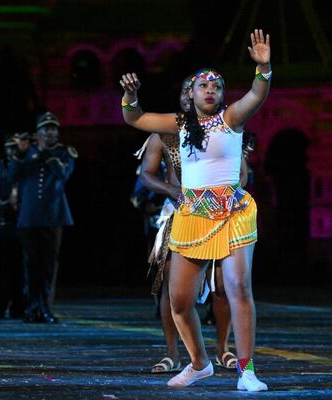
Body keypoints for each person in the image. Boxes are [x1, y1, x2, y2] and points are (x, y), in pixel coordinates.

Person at [121, 30, 271, 391]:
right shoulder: (178, 124)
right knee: (179, 301)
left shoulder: (231, 118)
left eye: (216, 87)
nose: (210, 91)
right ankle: (200, 364)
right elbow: (135, 119)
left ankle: (247, 371)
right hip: (191, 214)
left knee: (237, 287)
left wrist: (263, 68)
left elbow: (256, 94)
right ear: (190, 94)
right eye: (203, 86)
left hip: (233, 212)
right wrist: (130, 96)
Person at [139, 76, 244, 374]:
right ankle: (173, 353)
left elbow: (242, 173)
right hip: (179, 214)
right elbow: (146, 174)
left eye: (196, 89)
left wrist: (227, 196)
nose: (191, 94)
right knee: (172, 288)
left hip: (219, 215)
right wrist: (173, 191)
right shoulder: (165, 133)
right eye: (189, 88)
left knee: (223, 285)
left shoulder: (222, 129)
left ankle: (223, 349)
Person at [7, 112, 76, 323]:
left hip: (53, 216)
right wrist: (20, 153)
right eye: (45, 129)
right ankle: (31, 308)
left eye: (53, 128)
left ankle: (45, 308)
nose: (50, 132)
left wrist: (46, 153)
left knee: (48, 266)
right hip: (29, 217)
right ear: (38, 133)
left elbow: (62, 175)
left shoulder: (64, 153)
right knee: (30, 265)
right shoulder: (27, 153)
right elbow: (11, 177)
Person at [0, 136, 24, 320]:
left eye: (15, 149)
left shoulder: (21, 165)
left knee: (19, 271)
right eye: (10, 148)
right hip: (0, 227)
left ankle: (18, 307)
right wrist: (4, 202)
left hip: (19, 227)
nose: (12, 152)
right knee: (0, 272)